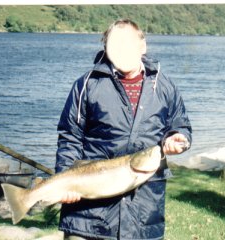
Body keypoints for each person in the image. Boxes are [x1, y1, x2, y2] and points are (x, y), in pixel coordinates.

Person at [55, 19, 192, 240]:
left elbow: (180, 127)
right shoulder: (86, 85)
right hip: (87, 215)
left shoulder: (165, 87)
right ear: (106, 47)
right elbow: (70, 137)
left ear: (143, 45)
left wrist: (179, 139)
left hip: (144, 212)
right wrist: (64, 179)